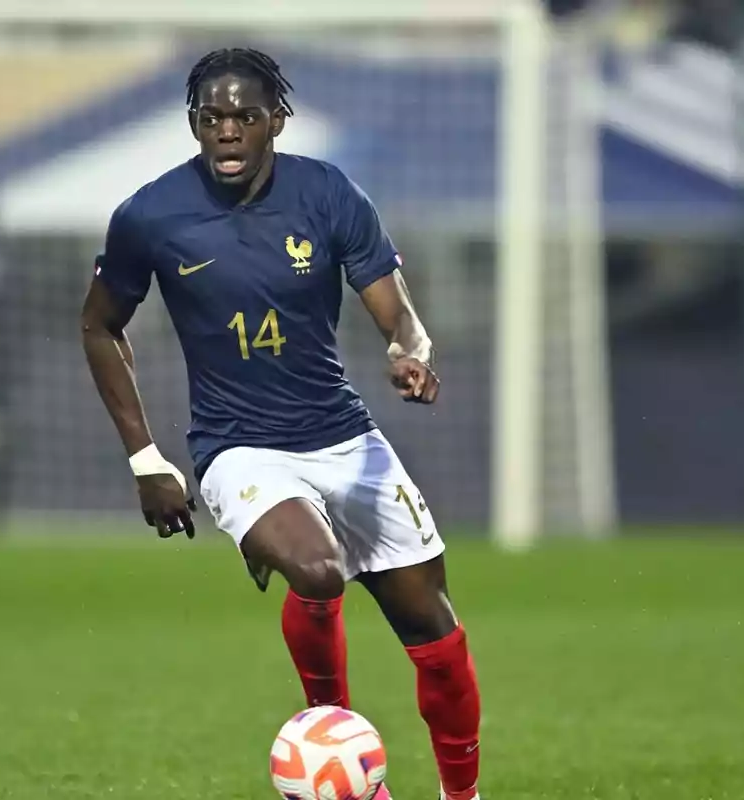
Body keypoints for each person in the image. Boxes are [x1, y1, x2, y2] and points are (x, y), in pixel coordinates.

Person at [80, 48, 482, 800]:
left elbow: (400, 317)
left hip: (344, 436)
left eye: (245, 117)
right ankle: (338, 749)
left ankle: (464, 795)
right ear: (195, 123)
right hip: (239, 447)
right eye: (211, 118)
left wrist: (409, 353)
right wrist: (146, 459)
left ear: (277, 122)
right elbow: (100, 327)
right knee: (318, 567)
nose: (227, 132)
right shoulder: (150, 216)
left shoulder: (327, 194)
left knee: (436, 636)